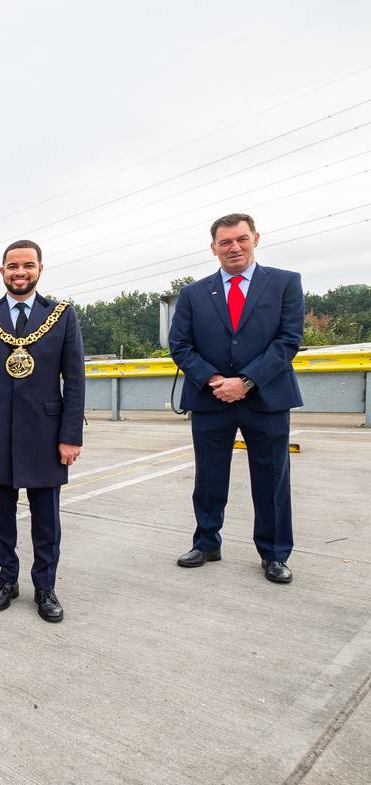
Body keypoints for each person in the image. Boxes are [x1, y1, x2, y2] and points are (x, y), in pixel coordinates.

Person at [169, 213, 303, 584]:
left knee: (271, 478)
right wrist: (215, 380)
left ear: (255, 239)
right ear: (213, 248)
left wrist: (246, 382)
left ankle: (274, 554)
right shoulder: (193, 294)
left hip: (267, 397)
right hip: (211, 398)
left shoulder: (285, 283)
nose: (235, 247)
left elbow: (288, 340)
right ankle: (206, 543)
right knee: (209, 477)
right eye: (225, 242)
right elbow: (179, 344)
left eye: (241, 239)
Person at [0, 239, 85, 623]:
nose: (20, 272)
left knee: (46, 518)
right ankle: (7, 580)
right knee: (1, 516)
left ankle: (45, 587)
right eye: (13, 266)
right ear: (2, 271)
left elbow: (75, 380)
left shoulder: (62, 315)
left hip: (47, 434)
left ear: (40, 270)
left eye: (28, 265)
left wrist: (70, 436)